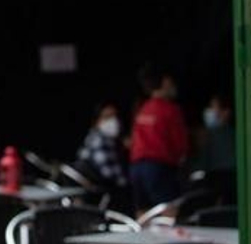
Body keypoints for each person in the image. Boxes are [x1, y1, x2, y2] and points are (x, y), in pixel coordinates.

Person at [128, 63, 188, 212]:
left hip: (136, 169)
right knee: (168, 215)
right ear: (166, 82)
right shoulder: (171, 110)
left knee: (143, 216)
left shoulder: (143, 108)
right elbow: (180, 145)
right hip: (159, 169)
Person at [74, 101, 128, 195]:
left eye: (115, 116)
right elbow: (111, 175)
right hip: (101, 192)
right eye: (107, 117)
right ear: (97, 121)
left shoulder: (108, 140)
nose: (113, 121)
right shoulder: (99, 140)